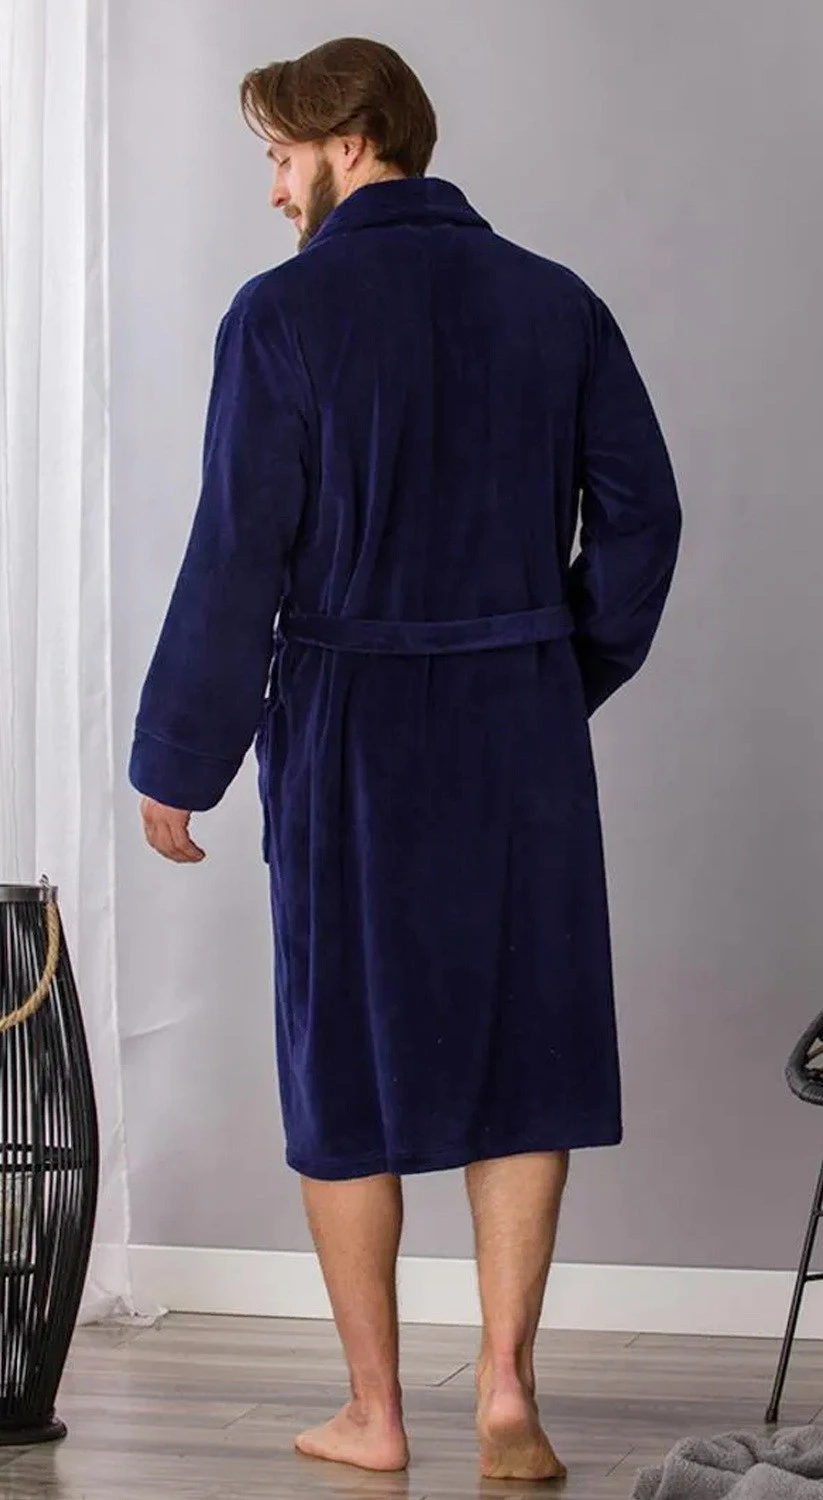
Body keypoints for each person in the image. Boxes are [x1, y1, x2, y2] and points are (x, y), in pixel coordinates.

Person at [129, 34, 682, 1484]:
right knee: (524, 1046)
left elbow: (237, 550)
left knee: (344, 1058)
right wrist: (556, 669)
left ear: (348, 137)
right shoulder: (557, 303)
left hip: (351, 733)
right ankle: (505, 1394)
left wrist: (182, 754)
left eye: (279, 156)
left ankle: (376, 1415)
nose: (273, 190)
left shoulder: (283, 315)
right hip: (518, 729)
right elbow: (644, 519)